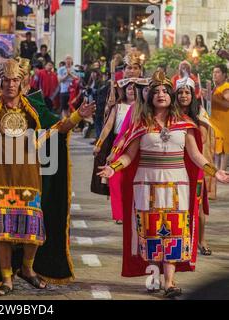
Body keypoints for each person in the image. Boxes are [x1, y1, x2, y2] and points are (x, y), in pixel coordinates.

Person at [0, 59, 96, 296]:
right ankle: (6, 279)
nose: (10, 84)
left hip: (29, 178)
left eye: (15, 80)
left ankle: (28, 269)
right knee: (1, 231)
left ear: (22, 83)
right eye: (6, 80)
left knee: (32, 229)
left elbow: (58, 127)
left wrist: (79, 115)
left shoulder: (34, 109)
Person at [98, 70, 229, 298]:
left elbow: (196, 155)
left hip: (177, 185)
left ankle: (169, 281)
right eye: (156, 91)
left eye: (165, 91)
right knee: (149, 232)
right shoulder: (141, 124)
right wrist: (113, 168)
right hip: (145, 185)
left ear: (171, 96)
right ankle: (153, 275)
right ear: (150, 97)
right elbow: (128, 156)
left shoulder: (185, 124)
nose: (161, 94)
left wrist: (214, 171)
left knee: (175, 232)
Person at [175, 77, 215, 256]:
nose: (184, 96)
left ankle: (201, 240)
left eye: (187, 92)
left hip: (194, 164)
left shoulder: (199, 112)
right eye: (180, 92)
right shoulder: (170, 112)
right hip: (174, 164)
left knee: (197, 203)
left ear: (193, 95)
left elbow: (204, 139)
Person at [91, 79, 137, 208]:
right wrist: (99, 144)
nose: (131, 90)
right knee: (116, 179)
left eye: (134, 88)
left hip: (133, 144)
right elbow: (108, 126)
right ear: (123, 91)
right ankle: (119, 210)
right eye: (128, 88)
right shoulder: (118, 106)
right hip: (117, 143)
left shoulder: (142, 108)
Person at [209, 64, 229, 173]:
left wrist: (212, 98)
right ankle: (217, 173)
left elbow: (227, 105)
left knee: (223, 149)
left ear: (224, 75)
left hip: (223, 123)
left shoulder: (226, 86)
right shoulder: (216, 87)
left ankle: (222, 172)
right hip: (215, 122)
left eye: (217, 72)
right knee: (216, 149)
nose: (214, 74)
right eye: (213, 72)